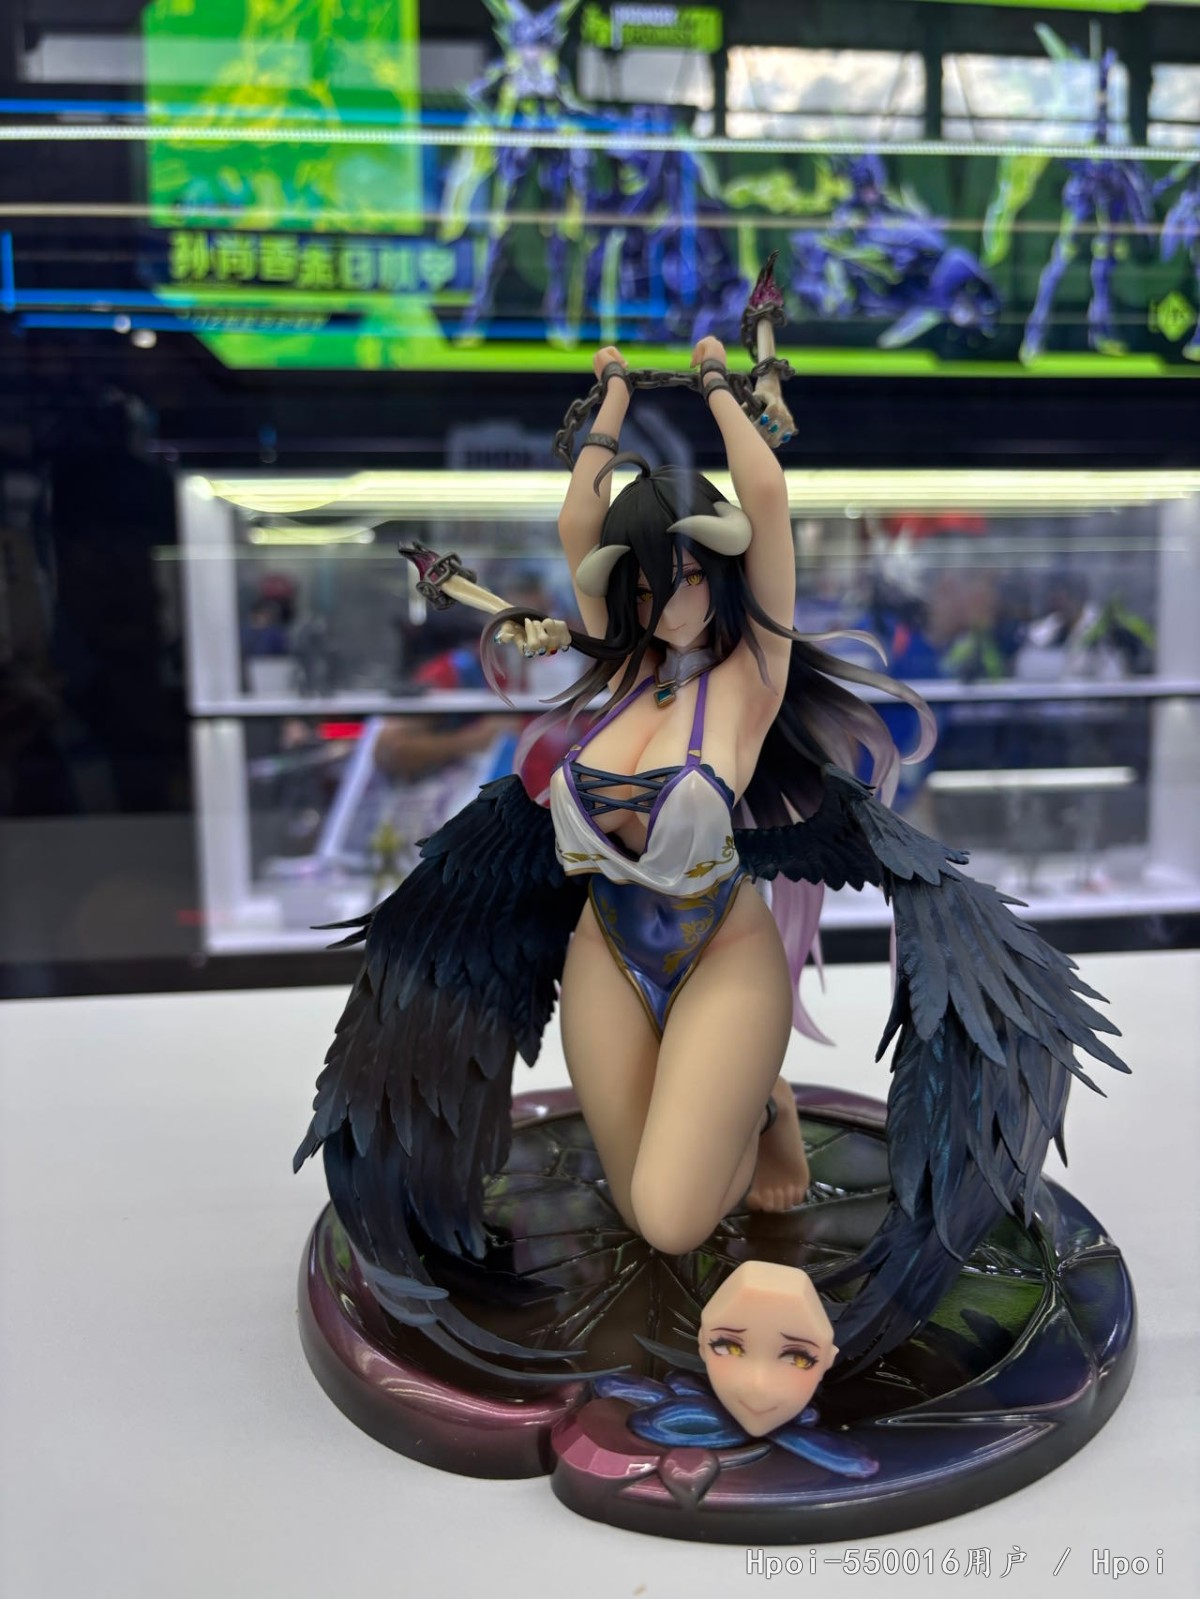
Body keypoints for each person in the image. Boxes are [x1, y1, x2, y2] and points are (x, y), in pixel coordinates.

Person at [481, 339, 933, 1254]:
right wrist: (611, 396)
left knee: (674, 1220)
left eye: (690, 575)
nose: (674, 603)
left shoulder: (752, 675)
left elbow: (765, 496)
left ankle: (764, 1104)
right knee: (635, 1207)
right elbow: (579, 519)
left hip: (720, 947)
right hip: (605, 949)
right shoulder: (624, 671)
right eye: (650, 584)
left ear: (718, 570)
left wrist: (718, 386)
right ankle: (730, 1101)